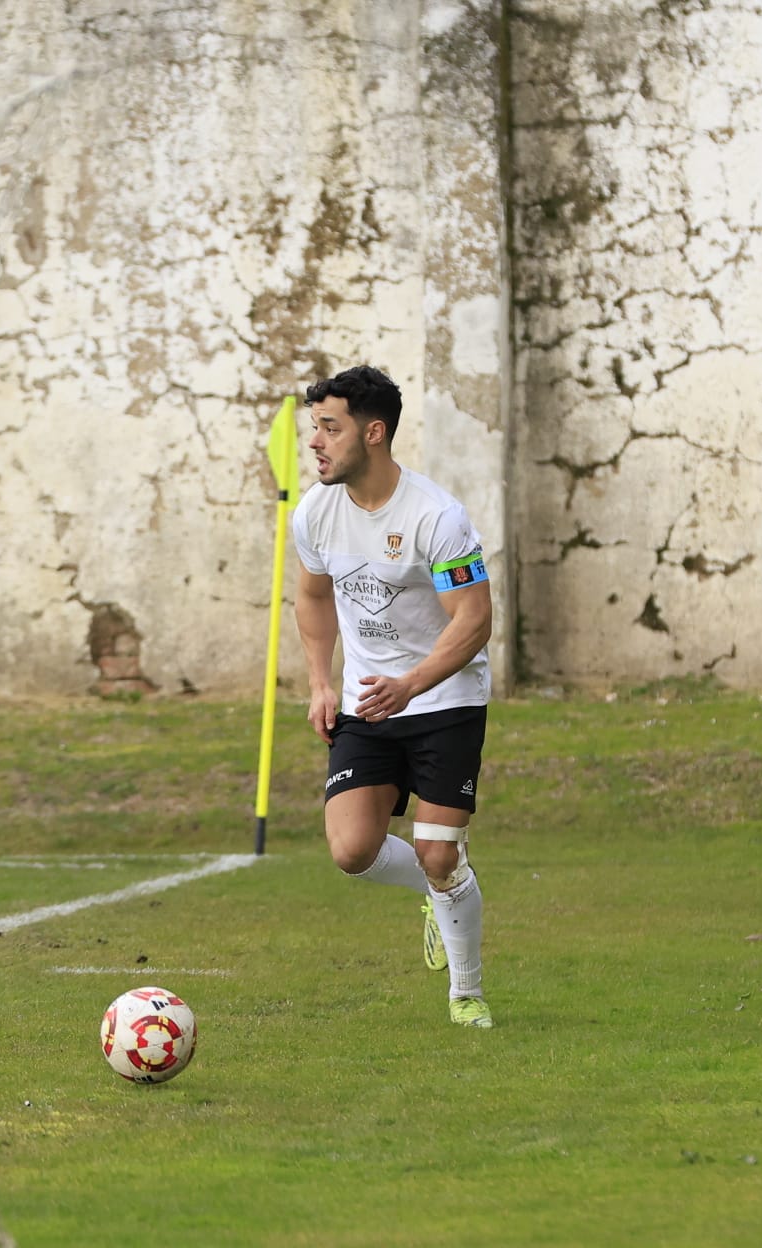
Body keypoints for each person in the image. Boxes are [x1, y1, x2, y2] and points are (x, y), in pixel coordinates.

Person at [290, 365, 495, 1028]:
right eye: (313, 427)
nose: (316, 442)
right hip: (367, 704)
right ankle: (437, 898)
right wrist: (322, 682)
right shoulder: (316, 514)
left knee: (439, 851)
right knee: (352, 851)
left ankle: (466, 993)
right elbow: (314, 596)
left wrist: (410, 684)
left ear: (373, 434)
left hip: (445, 701)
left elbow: (474, 619)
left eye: (330, 427)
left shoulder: (437, 518)